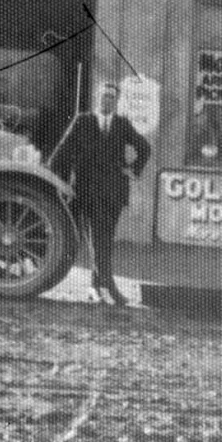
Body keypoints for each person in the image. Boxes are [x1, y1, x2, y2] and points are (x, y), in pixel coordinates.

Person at [48, 81, 152, 306]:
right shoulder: (83, 121)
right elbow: (62, 152)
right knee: (98, 239)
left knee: (105, 239)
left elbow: (145, 147)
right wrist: (53, 180)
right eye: (104, 96)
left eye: (112, 98)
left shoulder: (123, 124)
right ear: (98, 98)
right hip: (88, 192)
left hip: (114, 193)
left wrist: (133, 169)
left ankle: (97, 286)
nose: (108, 101)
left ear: (117, 102)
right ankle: (109, 286)